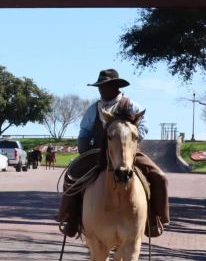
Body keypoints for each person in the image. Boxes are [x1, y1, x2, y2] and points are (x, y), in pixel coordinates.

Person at [56, 69, 169, 238]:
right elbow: (85, 129)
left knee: (159, 177)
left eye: (105, 86)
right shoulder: (94, 109)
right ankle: (70, 217)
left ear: (115, 86)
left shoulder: (131, 106)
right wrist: (83, 145)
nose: (101, 90)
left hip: (126, 153)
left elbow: (143, 126)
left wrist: (129, 139)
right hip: (97, 153)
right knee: (72, 175)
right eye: (100, 87)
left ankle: (154, 218)